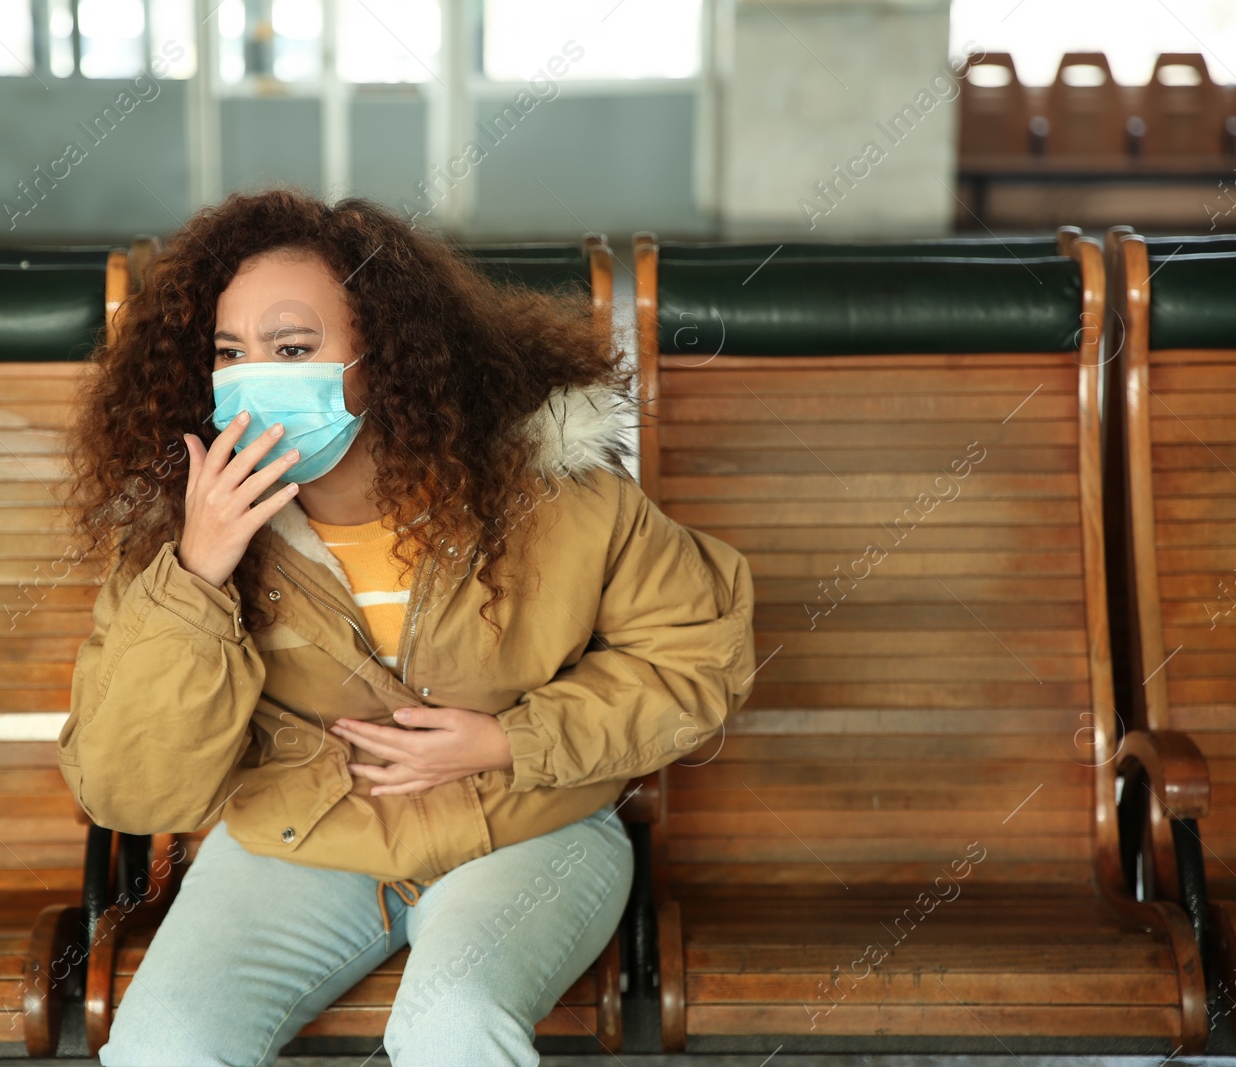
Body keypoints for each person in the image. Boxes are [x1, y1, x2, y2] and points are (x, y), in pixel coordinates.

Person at [57, 187, 756, 1066]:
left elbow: (695, 658)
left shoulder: (557, 494)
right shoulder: (178, 534)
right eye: (230, 352)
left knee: (453, 1023)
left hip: (527, 825)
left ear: (382, 355)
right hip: (295, 838)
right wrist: (197, 576)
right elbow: (129, 790)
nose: (255, 376)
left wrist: (509, 740)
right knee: (163, 1041)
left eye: (294, 346)